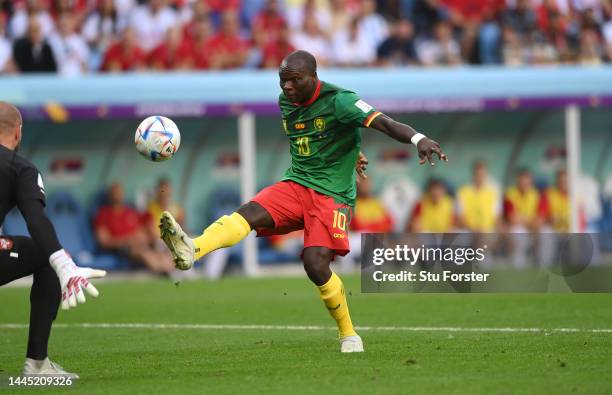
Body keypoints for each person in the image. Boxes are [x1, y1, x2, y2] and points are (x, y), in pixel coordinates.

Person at [158, 50, 447, 353]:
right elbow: (318, 138)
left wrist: (419, 139)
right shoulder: (286, 102)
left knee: (315, 264)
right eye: (283, 81)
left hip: (331, 196)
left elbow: (384, 123)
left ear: (313, 76)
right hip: (297, 184)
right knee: (247, 214)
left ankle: (348, 334)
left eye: (294, 80)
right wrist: (348, 153)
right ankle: (194, 248)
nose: (287, 87)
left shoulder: (341, 101)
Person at [0, 102, 105, 376]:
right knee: (43, 254)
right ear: (18, 133)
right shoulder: (19, 168)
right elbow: (35, 220)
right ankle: (36, 365)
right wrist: (62, 263)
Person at [94, 182, 174, 274]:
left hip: (140, 244)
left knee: (159, 248)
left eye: (120, 192)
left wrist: (143, 237)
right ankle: (162, 271)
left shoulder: (130, 212)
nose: (118, 195)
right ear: (110, 195)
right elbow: (104, 241)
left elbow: (143, 228)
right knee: (143, 252)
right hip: (122, 248)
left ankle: (171, 269)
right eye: (115, 192)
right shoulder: (103, 214)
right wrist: (127, 240)